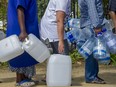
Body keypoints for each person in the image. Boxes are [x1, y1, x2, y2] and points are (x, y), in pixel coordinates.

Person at [6, 0, 39, 86]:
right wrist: (23, 31)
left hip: (25, 27)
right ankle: (20, 79)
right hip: (21, 28)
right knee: (21, 53)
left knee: (27, 53)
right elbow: (20, 9)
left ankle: (26, 78)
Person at [40, 0, 71, 82]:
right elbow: (59, 20)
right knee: (63, 55)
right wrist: (61, 41)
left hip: (51, 27)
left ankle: (51, 76)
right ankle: (60, 79)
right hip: (53, 29)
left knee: (57, 55)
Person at [78, 0, 107, 84]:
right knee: (91, 53)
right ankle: (91, 77)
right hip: (91, 25)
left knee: (94, 52)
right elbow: (92, 10)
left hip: (89, 25)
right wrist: (97, 25)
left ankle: (93, 75)